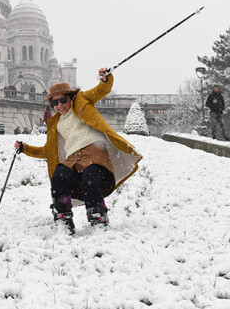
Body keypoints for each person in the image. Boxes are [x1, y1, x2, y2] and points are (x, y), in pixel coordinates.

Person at [14, 69, 142, 233]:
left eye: (63, 100)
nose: (60, 105)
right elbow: (48, 151)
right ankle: (63, 218)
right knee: (59, 174)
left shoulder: (81, 101)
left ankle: (98, 217)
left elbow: (101, 90)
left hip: (95, 152)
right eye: (55, 103)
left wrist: (105, 79)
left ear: (70, 97)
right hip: (73, 159)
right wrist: (25, 148)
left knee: (90, 174)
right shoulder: (55, 123)